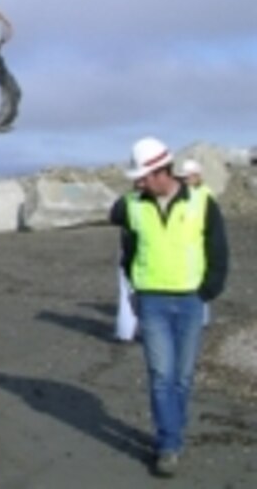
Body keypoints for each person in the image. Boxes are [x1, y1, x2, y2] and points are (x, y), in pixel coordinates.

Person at [108, 137, 229, 478]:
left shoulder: (202, 201)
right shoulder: (132, 204)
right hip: (152, 301)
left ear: (163, 171)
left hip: (191, 300)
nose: (138, 182)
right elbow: (124, 238)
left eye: (144, 175)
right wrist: (134, 285)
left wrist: (208, 290)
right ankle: (169, 445)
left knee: (183, 377)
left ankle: (173, 428)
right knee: (162, 376)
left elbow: (218, 249)